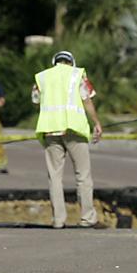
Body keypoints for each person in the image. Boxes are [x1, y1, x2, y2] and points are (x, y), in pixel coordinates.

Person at [32, 50, 105, 229]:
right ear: (71, 62)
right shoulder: (78, 74)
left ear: (54, 62)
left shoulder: (42, 77)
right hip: (74, 130)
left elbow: (35, 101)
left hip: (50, 131)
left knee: (55, 177)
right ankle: (87, 217)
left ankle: (58, 220)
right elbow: (87, 99)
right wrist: (96, 123)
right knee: (83, 176)